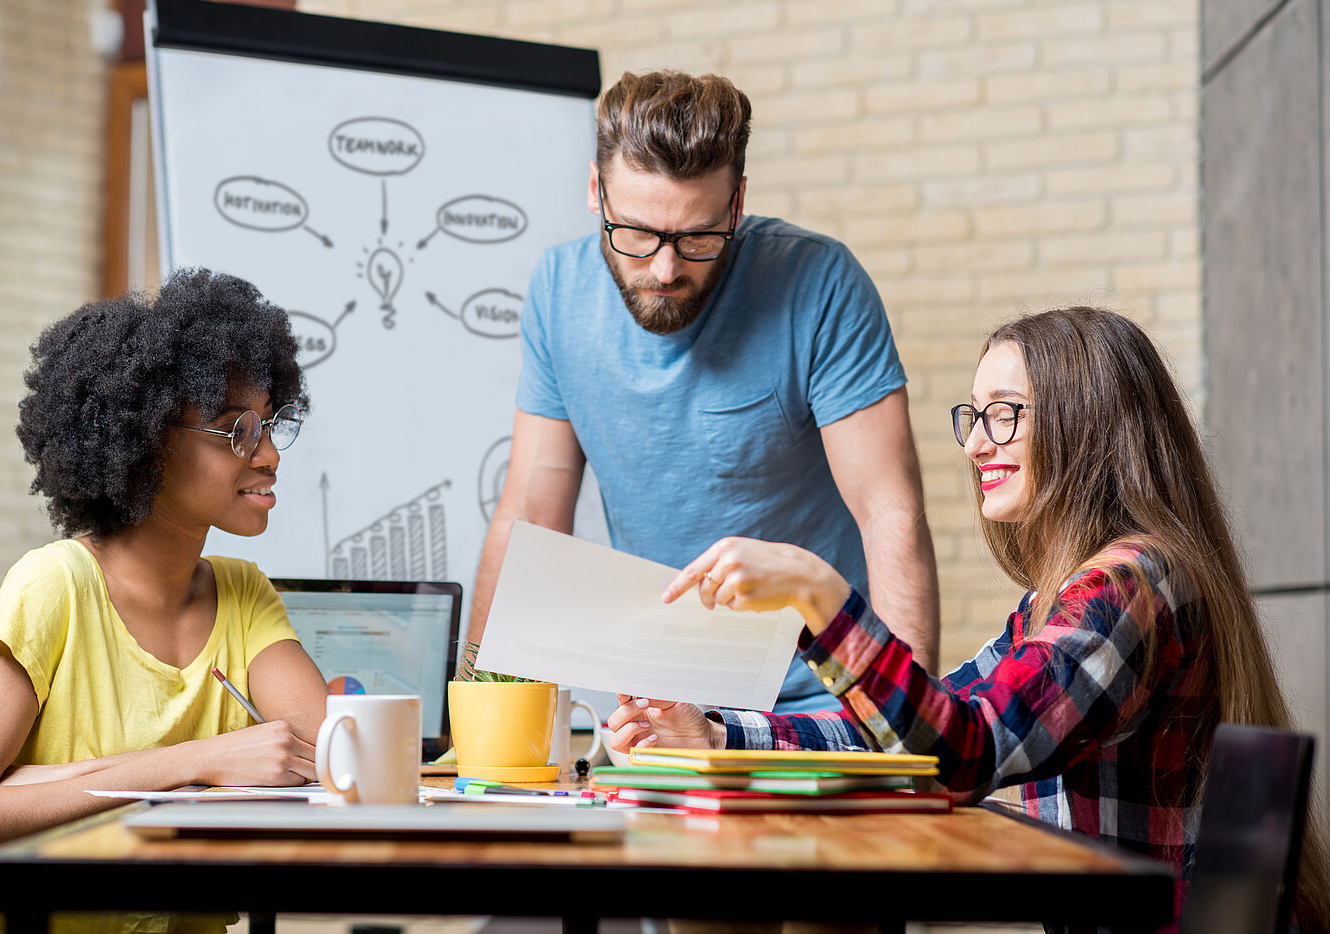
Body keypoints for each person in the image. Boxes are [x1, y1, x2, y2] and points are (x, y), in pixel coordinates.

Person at [607, 306, 1330, 930]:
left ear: (1087, 424)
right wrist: (717, 734)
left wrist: (820, 596)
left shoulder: (1132, 587)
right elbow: (915, 734)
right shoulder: (1061, 601)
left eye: (1005, 414)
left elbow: (960, 755)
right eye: (975, 416)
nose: (977, 443)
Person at [468, 70, 940, 711]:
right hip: (663, 709)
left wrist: (911, 729)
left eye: (697, 237)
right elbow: (528, 514)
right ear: (594, 192)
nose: (665, 269)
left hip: (821, 704)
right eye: (635, 233)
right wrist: (476, 716)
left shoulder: (820, 284)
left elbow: (890, 513)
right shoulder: (558, 293)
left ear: (737, 204)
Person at [0, 269, 330, 934]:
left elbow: (326, 769)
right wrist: (196, 763)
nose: (268, 457)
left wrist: (46, 785)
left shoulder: (244, 591)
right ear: (146, 443)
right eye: (236, 429)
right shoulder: (53, 585)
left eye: (270, 425)